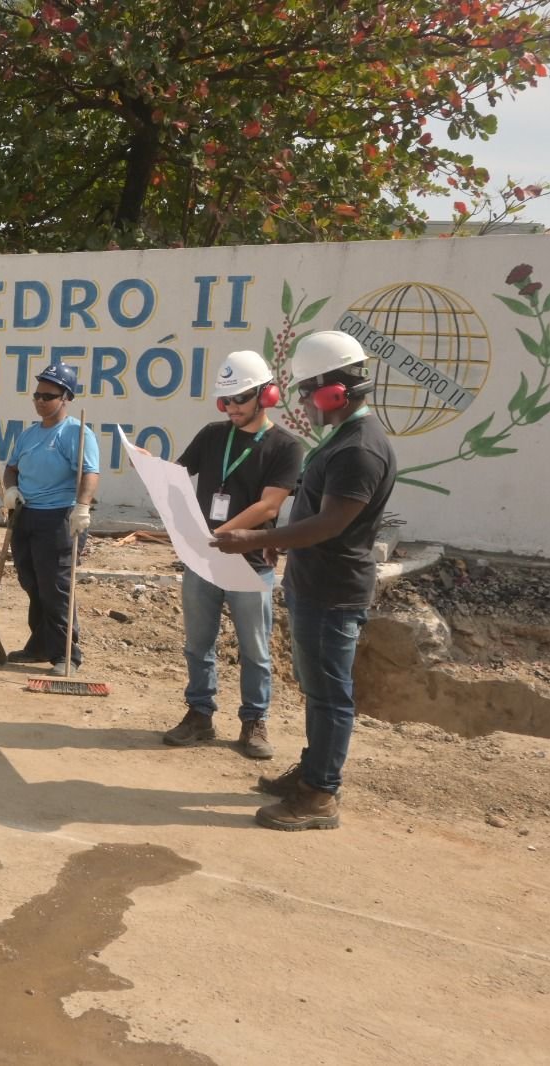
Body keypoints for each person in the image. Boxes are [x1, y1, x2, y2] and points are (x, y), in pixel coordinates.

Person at [212, 331, 396, 831]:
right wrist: (283, 542)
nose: (303, 404)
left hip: (333, 592)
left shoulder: (360, 449)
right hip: (316, 583)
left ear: (333, 392)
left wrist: (255, 538)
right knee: (318, 690)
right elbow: (317, 515)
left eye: (307, 392)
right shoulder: (344, 439)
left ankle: (320, 795)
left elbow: (331, 524)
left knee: (330, 695)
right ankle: (314, 772)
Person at [162, 350, 303, 760]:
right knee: (197, 643)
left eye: (240, 398)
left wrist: (221, 534)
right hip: (204, 559)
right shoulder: (212, 435)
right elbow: (178, 475)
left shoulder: (286, 447)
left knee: (255, 650)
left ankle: (254, 721)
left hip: (250, 562)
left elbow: (269, 505)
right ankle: (199, 714)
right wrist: (153, 468)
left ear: (266, 395)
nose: (232, 408)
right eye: (226, 400)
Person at [2, 363, 100, 676]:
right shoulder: (29, 435)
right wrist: (10, 490)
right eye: (37, 395)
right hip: (26, 515)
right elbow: (11, 468)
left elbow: (90, 473)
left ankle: (66, 655)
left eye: (48, 396)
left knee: (56, 587)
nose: (40, 401)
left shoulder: (76, 433)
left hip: (59, 518)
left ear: (66, 397)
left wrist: (82, 507)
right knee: (31, 582)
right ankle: (40, 645)